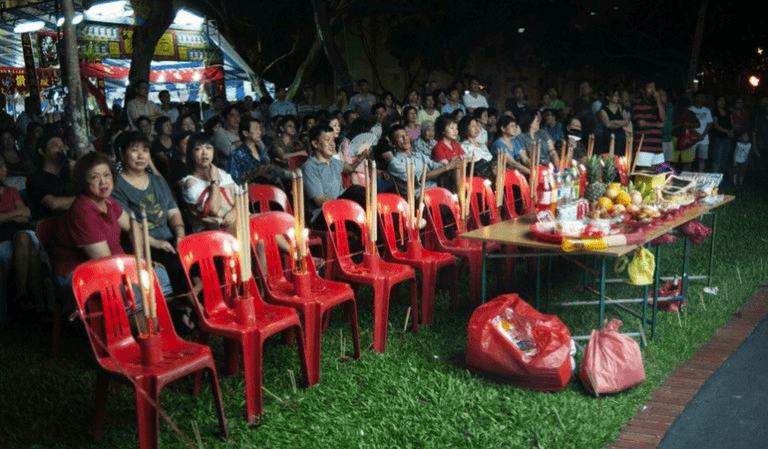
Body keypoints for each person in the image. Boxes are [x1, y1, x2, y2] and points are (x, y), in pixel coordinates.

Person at [50, 152, 172, 296]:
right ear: (83, 182)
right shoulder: (83, 211)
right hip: (78, 274)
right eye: (95, 177)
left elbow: (133, 227)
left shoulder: (108, 202)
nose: (103, 182)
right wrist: (135, 268)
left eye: (107, 175)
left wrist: (141, 261)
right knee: (135, 291)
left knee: (160, 275)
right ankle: (134, 317)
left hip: (111, 264)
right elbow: (105, 261)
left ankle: (151, 315)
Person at [111, 132, 187, 295]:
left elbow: (173, 213)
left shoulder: (158, 181)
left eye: (145, 151)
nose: (141, 156)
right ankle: (182, 311)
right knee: (177, 265)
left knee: (202, 260)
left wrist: (180, 235)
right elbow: (129, 226)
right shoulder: (117, 186)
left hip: (169, 240)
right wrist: (155, 242)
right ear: (123, 154)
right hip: (143, 244)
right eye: (134, 150)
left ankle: (193, 307)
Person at [0, 154, 46, 318]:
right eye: (1, 166)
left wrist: (6, 216)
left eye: (4, 166)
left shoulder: (11, 191)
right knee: (32, 253)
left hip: (18, 231)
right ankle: (39, 307)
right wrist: (15, 214)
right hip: (4, 236)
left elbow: (26, 215)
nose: (4, 170)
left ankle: (21, 296)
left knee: (24, 238)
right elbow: (20, 212)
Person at [301, 124, 369, 228]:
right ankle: (377, 237)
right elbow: (319, 201)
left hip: (341, 208)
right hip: (323, 215)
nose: (332, 144)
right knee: (355, 191)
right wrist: (348, 204)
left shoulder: (334, 161)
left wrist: (361, 157)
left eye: (333, 140)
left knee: (365, 195)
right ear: (315, 143)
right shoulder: (309, 167)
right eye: (327, 140)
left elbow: (349, 169)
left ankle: (376, 234)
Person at [182, 133, 241, 232]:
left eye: (209, 148)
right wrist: (214, 181)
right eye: (198, 149)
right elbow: (214, 210)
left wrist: (234, 212)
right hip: (213, 233)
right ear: (191, 154)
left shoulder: (222, 173)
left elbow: (241, 195)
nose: (204, 153)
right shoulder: (191, 183)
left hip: (236, 222)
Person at [387, 124, 459, 198]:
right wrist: (446, 167)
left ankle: (461, 200)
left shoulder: (418, 155)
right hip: (418, 196)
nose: (405, 138)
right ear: (393, 144)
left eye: (406, 135)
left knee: (456, 168)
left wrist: (451, 163)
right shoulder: (394, 163)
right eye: (400, 137)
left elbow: (435, 165)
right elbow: (420, 178)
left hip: (434, 188)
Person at [26, 133, 75, 219]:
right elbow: (54, 204)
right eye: (54, 145)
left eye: (63, 145)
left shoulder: (68, 172)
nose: (61, 148)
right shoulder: (35, 178)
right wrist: (84, 198)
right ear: (42, 151)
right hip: (50, 224)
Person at [230, 117, 286, 185]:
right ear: (245, 133)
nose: (259, 132)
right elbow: (234, 180)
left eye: (259, 129)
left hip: (269, 188)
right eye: (255, 129)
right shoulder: (237, 154)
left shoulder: (262, 151)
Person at [632, 80, 666, 167]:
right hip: (644, 147)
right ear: (642, 90)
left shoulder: (656, 103)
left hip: (657, 147)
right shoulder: (638, 102)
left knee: (658, 175)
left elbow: (663, 119)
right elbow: (640, 123)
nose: (653, 90)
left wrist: (658, 101)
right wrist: (656, 125)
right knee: (643, 175)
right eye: (649, 87)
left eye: (654, 87)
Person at [598, 88, 631, 155]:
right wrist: (621, 123)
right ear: (608, 97)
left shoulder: (621, 109)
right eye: (614, 95)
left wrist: (614, 121)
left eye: (617, 95)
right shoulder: (603, 110)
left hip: (620, 137)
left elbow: (626, 122)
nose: (617, 97)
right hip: (608, 138)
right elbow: (607, 124)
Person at [689, 93, 713, 172]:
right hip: (691, 137)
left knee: (702, 159)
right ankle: (686, 178)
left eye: (703, 98)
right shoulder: (690, 109)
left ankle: (700, 177)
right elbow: (688, 124)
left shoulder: (707, 110)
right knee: (689, 159)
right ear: (695, 98)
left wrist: (703, 135)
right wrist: (696, 134)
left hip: (704, 139)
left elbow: (709, 124)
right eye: (699, 97)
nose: (701, 100)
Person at [710, 96, 734, 175]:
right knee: (717, 158)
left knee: (725, 158)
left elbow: (732, 123)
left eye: (723, 100)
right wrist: (727, 131)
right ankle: (714, 176)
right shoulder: (714, 111)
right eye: (720, 100)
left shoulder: (728, 111)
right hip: (718, 137)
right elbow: (715, 126)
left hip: (728, 138)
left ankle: (721, 176)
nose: (722, 102)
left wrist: (731, 131)